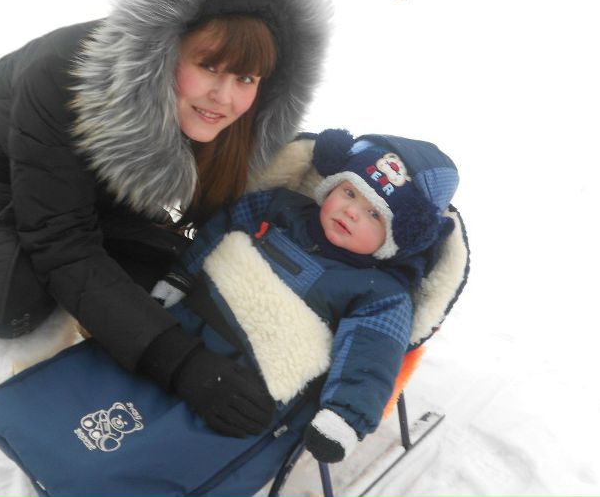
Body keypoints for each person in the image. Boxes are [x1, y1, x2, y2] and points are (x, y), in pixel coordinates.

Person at [0, 0, 332, 439]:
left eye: (246, 78)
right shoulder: (62, 76)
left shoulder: (222, 113)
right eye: (210, 66)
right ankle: (43, 381)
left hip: (57, 168)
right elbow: (62, 243)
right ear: (166, 50)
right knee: (13, 296)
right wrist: (181, 363)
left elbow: (194, 213)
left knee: (164, 249)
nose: (225, 97)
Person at [149, 129, 460, 462]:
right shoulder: (279, 207)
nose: (352, 212)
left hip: (251, 387)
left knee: (166, 454)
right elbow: (223, 226)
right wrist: (182, 276)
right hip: (183, 332)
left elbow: (372, 356)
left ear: (397, 237)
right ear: (332, 185)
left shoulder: (381, 293)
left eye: (375, 214)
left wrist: (345, 416)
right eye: (350, 192)